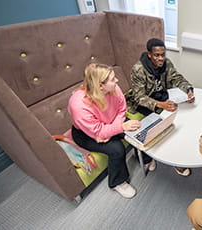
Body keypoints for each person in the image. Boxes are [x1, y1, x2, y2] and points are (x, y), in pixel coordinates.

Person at [68, 63, 156, 199]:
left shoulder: (114, 88)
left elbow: (122, 109)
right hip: (86, 133)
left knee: (135, 129)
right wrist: (118, 129)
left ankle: (145, 158)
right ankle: (117, 182)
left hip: (113, 120)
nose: (117, 81)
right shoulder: (78, 104)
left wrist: (115, 128)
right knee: (117, 149)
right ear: (100, 85)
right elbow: (98, 131)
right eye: (112, 79)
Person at [126, 38, 194, 176]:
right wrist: (161, 105)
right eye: (157, 55)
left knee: (181, 119)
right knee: (166, 124)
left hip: (162, 96)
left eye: (163, 54)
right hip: (143, 103)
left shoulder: (166, 63)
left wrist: (188, 90)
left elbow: (176, 78)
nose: (161, 58)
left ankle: (177, 155)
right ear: (149, 54)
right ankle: (164, 160)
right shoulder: (138, 69)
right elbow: (140, 98)